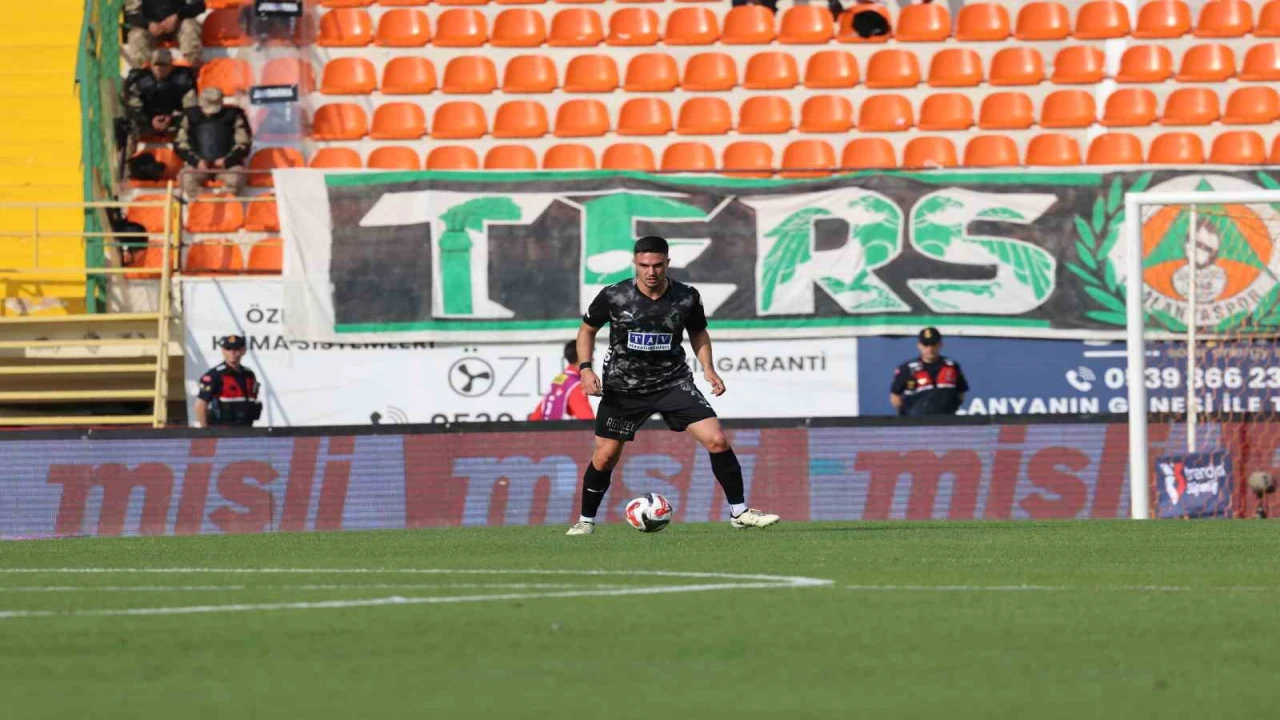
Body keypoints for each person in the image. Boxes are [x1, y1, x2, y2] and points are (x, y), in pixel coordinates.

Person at [566, 235, 780, 535]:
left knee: (717, 440)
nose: (650, 272)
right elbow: (586, 330)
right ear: (635, 263)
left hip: (672, 382)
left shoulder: (686, 296)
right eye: (644, 265)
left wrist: (709, 368)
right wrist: (585, 370)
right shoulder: (614, 295)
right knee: (604, 457)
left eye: (657, 265)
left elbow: (698, 332)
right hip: (624, 388)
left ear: (667, 263)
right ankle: (585, 521)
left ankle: (739, 511)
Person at [174, 87, 252, 199]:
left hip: (227, 165)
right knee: (186, 178)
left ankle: (222, 203)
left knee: (237, 177)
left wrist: (228, 160)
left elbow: (244, 143)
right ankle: (203, 204)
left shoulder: (234, 115)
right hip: (197, 165)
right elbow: (180, 143)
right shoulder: (189, 116)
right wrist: (196, 161)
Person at [122, 49, 196, 154]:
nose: (159, 68)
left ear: (171, 65)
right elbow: (134, 109)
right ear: (150, 65)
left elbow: (191, 109)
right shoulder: (139, 79)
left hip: (174, 121)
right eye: (156, 65)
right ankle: (125, 159)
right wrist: (150, 120)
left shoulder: (184, 79)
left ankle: (189, 157)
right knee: (127, 125)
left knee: (193, 123)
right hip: (146, 122)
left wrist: (172, 119)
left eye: (163, 65)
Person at [889, 327, 969, 416]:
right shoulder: (907, 369)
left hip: (946, 419)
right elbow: (895, 397)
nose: (930, 349)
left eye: (933, 345)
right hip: (916, 420)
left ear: (940, 344)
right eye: (925, 345)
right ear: (919, 345)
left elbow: (961, 394)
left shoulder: (952, 366)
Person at [194, 335, 263, 428]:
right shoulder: (214, 375)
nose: (232, 352)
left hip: (246, 428)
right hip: (223, 430)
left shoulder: (249, 374)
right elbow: (200, 407)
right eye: (228, 349)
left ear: (243, 351)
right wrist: (206, 433)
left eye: (236, 349)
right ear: (223, 351)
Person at [124, 0, 205, 68]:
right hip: (150, 29)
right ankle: (144, 75)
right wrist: (148, 25)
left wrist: (178, 16)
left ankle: (193, 71)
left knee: (190, 26)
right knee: (136, 36)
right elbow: (131, 14)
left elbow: (199, 5)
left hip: (179, 24)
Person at [529, 340, 595, 421]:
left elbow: (539, 411)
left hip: (545, 427)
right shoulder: (576, 385)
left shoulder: (560, 379)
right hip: (558, 429)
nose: (593, 359)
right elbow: (588, 421)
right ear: (581, 356)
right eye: (590, 354)